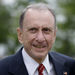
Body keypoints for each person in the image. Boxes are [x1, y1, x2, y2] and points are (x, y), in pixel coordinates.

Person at [0, 3, 75, 75]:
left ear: (54, 34)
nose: (40, 38)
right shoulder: (2, 69)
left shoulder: (71, 67)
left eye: (46, 30)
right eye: (33, 30)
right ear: (20, 35)